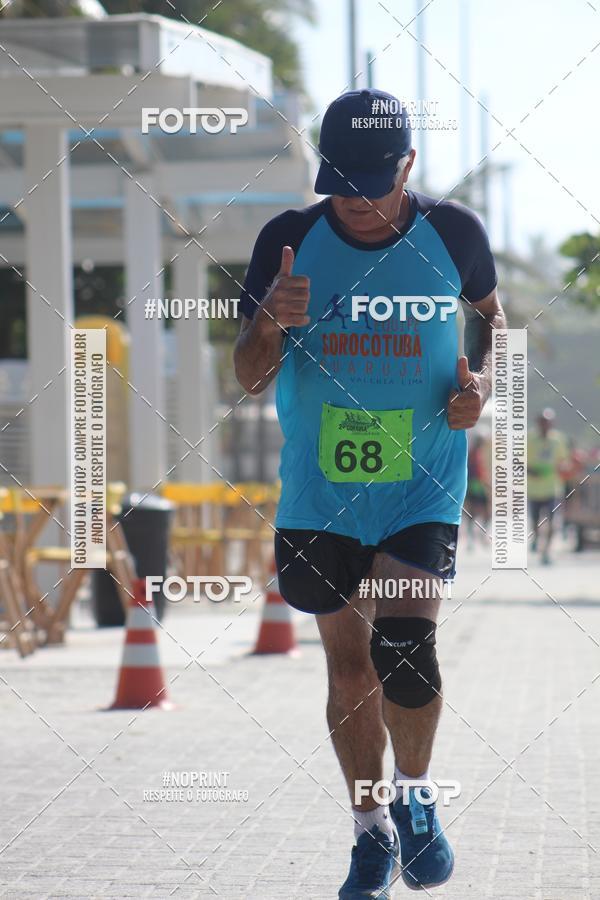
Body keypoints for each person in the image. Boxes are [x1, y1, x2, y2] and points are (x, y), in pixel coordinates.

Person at [234, 88, 506, 898]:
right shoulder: (287, 240)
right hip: (321, 495)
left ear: (409, 167)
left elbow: (492, 317)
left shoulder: (454, 233)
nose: (351, 198)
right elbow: (248, 378)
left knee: (405, 652)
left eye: (371, 180)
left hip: (421, 484)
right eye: (338, 179)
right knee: (351, 672)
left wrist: (481, 386)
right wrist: (272, 323)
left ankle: (418, 799)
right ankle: (370, 834)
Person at [527, 409, 569, 565]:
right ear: (538, 423)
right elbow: (519, 461)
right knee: (535, 520)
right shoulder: (530, 439)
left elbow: (563, 460)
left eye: (548, 422)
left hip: (553, 488)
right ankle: (537, 539)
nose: (545, 425)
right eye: (542, 422)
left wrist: (564, 467)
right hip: (534, 489)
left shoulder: (558, 440)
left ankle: (547, 551)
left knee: (553, 522)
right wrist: (530, 470)